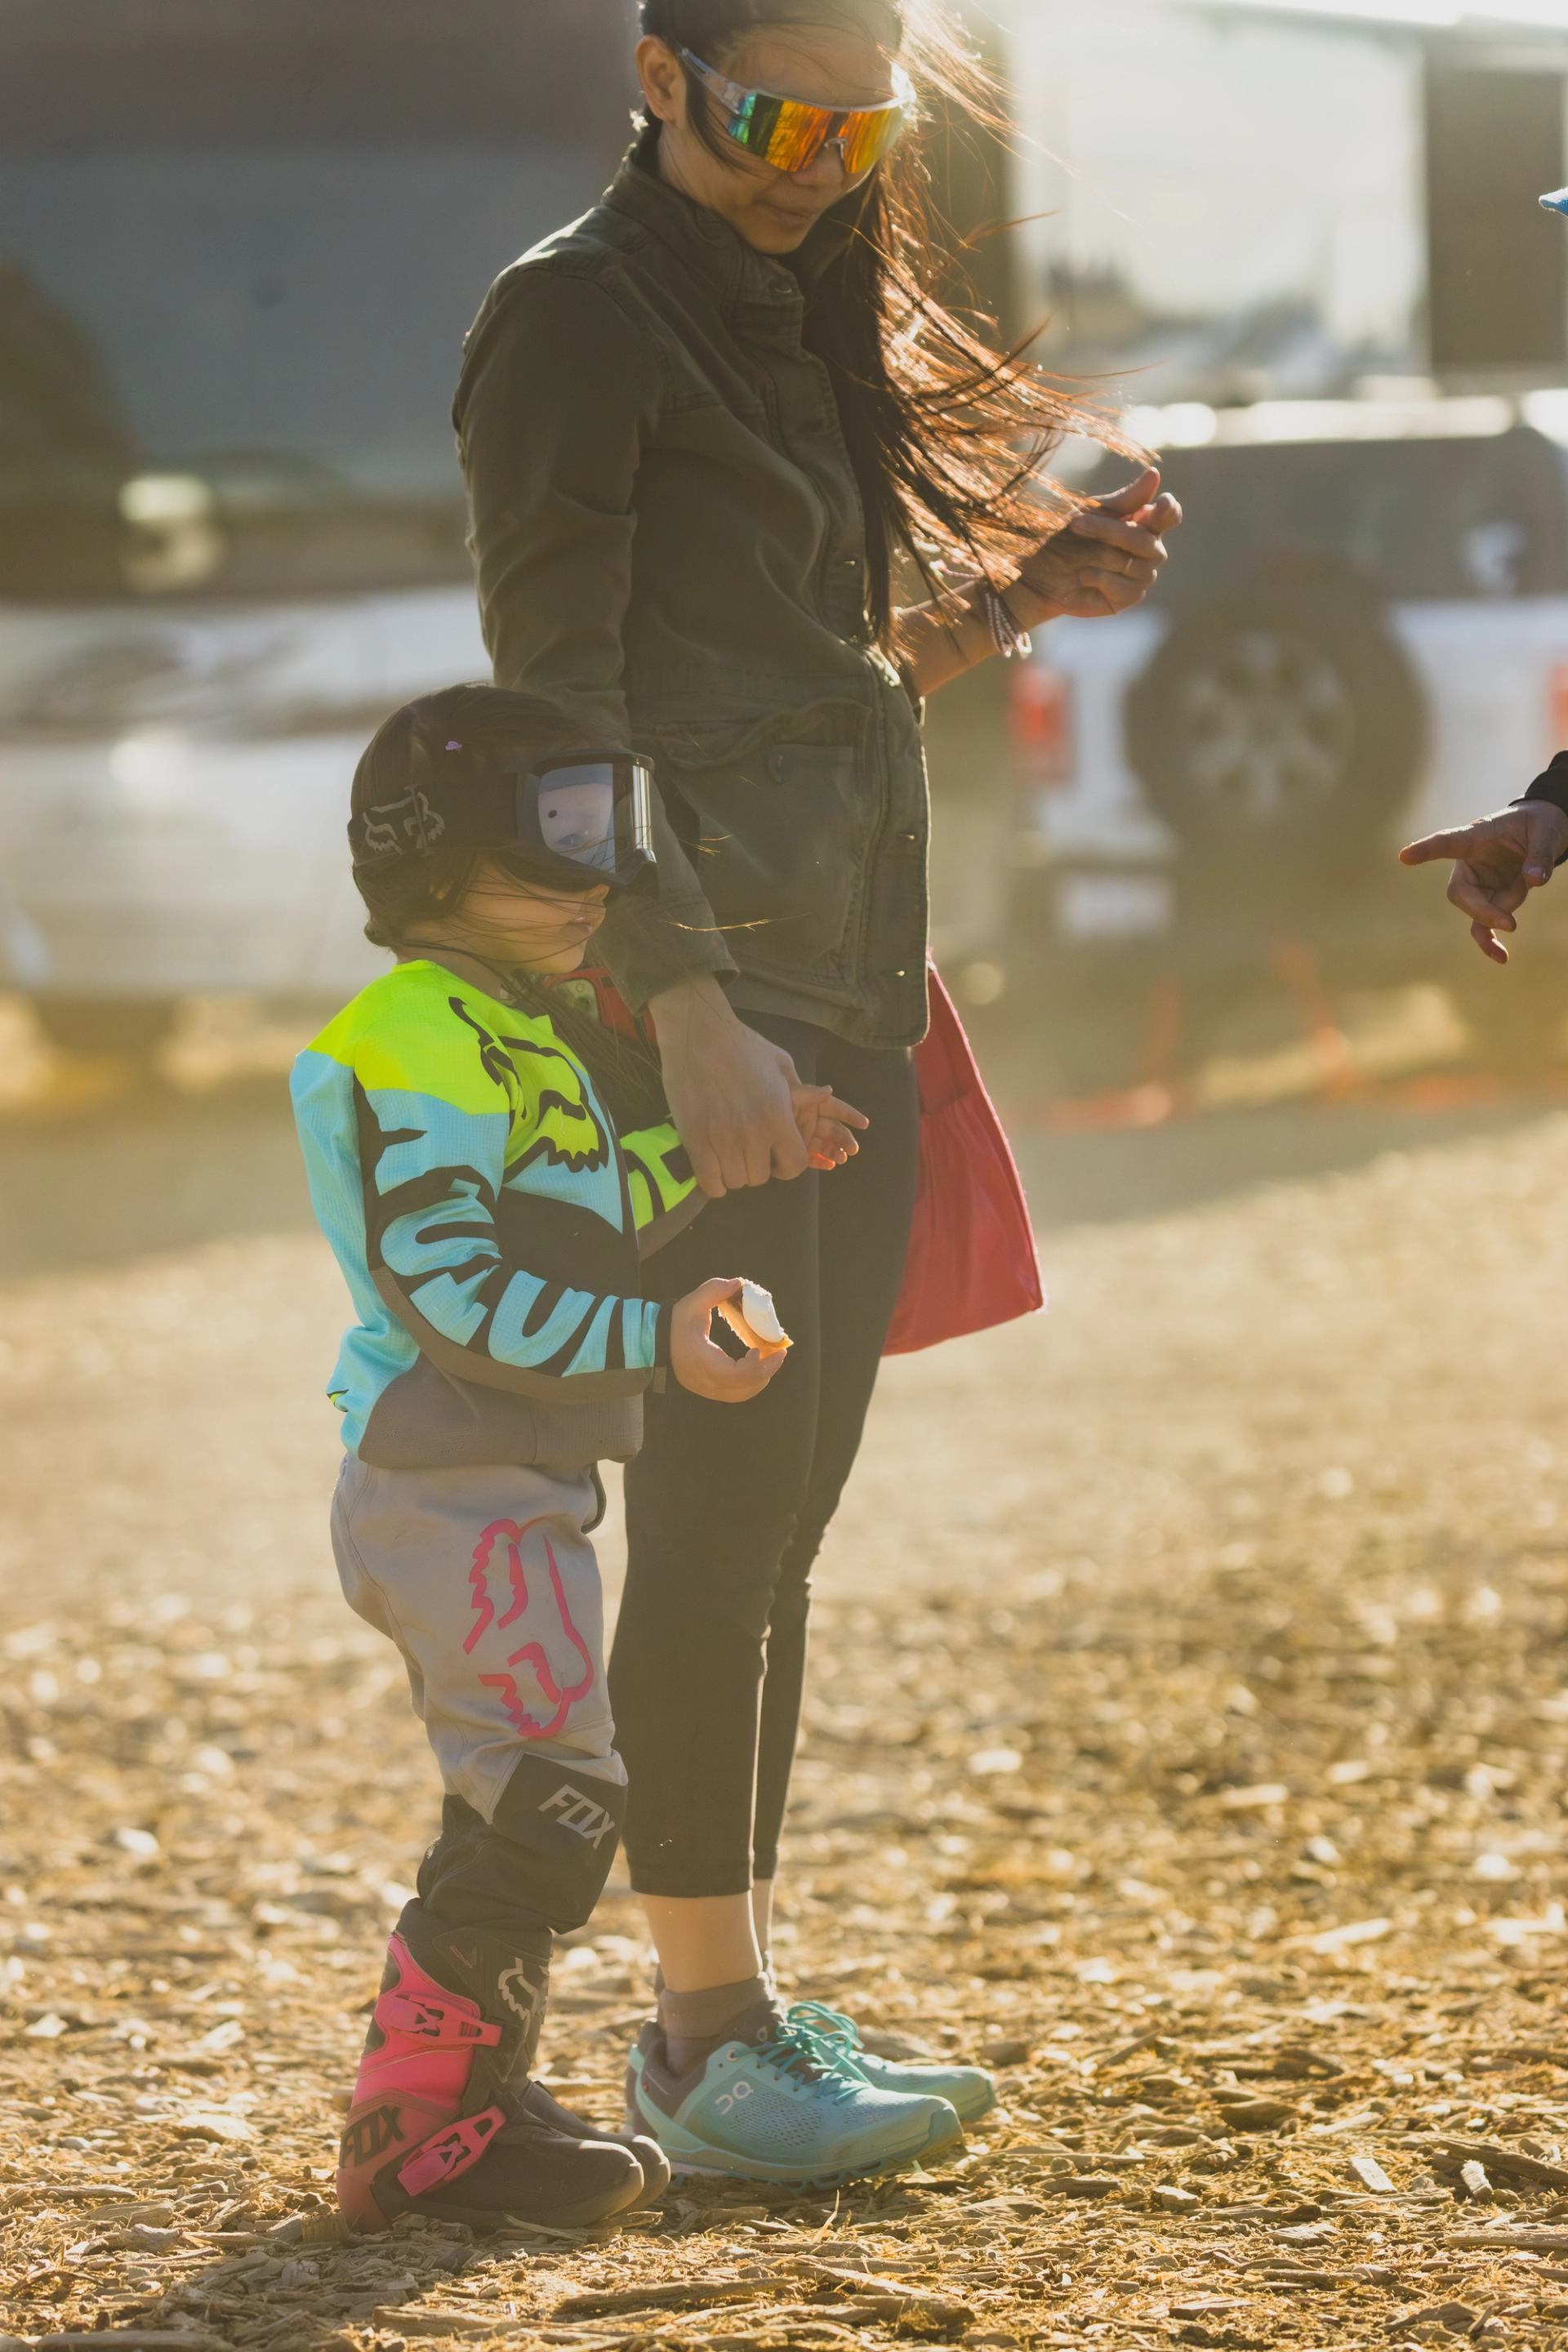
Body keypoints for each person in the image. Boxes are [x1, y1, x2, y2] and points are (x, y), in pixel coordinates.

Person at [453, 0, 1179, 2180]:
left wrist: (1007, 602)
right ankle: (703, 2031)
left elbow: (808, 674)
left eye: (858, 129)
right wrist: (679, 1012)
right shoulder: (576, 325)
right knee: (712, 1516)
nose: (815, 161)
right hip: (703, 1020)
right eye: (773, 113)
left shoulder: (792, 301)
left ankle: (733, 2001)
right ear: (655, 70)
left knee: (778, 1523)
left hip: (840, 994)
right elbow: (548, 713)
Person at [290, 684, 954, 2232]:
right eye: (559, 845)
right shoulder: (413, 1041)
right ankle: (423, 2125)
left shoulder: (508, 1027)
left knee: (534, 1794)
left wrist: (747, 1137)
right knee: (557, 1802)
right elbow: (451, 1284)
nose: (600, 881)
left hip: (509, 1486)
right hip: (446, 1485)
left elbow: (583, 1200)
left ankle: (462, 2100)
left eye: (611, 837)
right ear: (437, 866)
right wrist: (654, 1343)